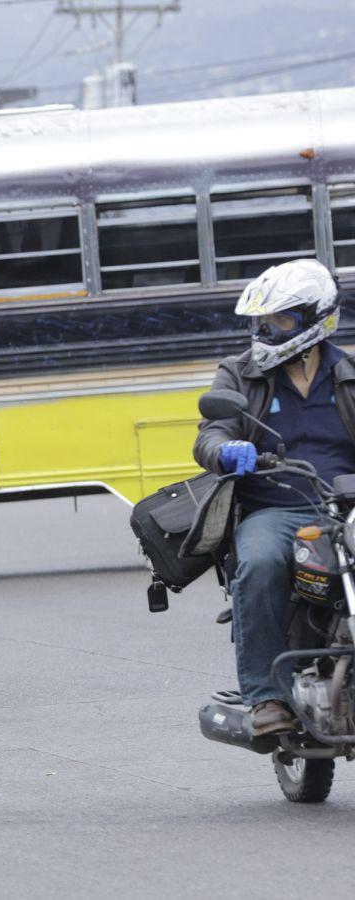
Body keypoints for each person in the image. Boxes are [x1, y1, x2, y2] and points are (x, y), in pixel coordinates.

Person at [193, 258, 352, 737]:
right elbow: (210, 433)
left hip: (345, 507)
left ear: (316, 318)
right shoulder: (239, 374)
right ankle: (267, 696)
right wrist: (225, 450)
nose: (268, 330)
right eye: (262, 322)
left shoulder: (348, 374)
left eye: (281, 320)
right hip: (275, 509)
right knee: (259, 565)